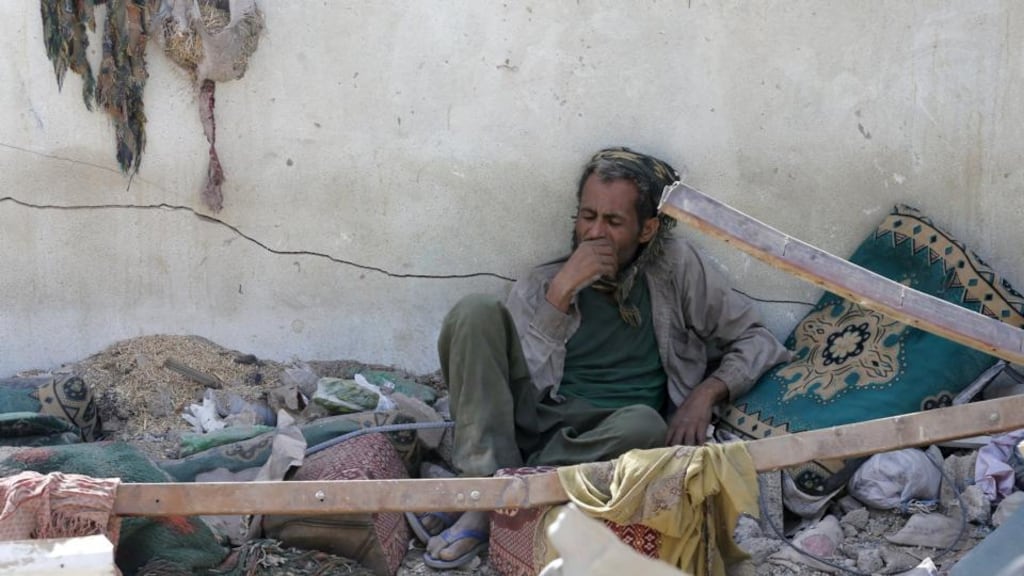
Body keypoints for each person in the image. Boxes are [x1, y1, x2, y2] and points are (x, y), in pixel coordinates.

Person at [410, 147, 791, 569]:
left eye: (613, 222)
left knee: (647, 425)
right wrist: (559, 297)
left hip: (608, 435)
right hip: (534, 423)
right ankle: (484, 498)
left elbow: (757, 339)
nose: (595, 233)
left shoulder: (677, 271)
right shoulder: (543, 283)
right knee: (474, 311)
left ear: (646, 229)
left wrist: (705, 395)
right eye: (587, 216)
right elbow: (523, 384)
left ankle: (496, 491)